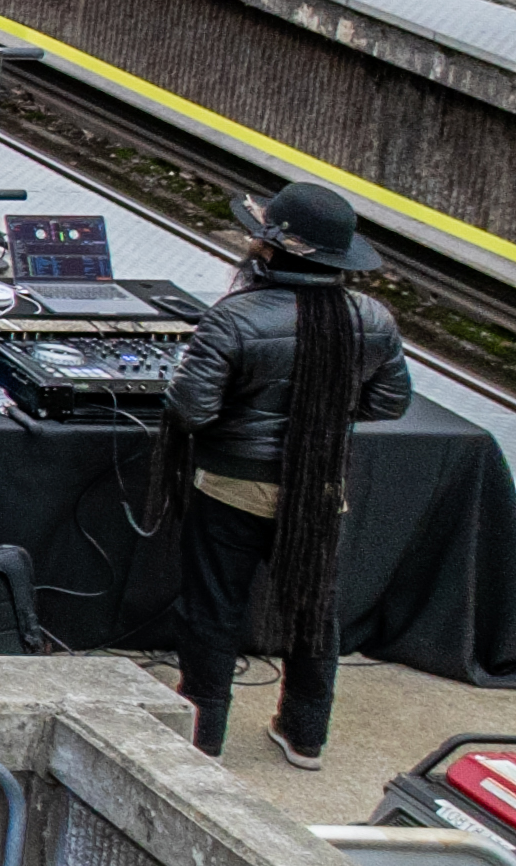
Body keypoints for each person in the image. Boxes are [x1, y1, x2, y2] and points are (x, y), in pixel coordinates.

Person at [166, 181, 415, 769]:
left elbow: (191, 410)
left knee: (214, 607)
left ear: (271, 248)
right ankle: (304, 734)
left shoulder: (236, 317)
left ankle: (203, 734)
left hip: (232, 485)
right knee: (312, 608)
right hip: (321, 491)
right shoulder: (372, 319)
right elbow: (389, 404)